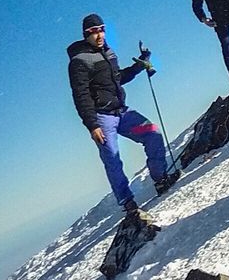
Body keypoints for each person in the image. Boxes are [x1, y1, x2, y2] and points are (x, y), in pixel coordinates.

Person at [67, 13, 176, 212]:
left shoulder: (108, 53)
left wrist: (139, 65)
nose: (99, 35)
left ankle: (160, 178)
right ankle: (128, 203)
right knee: (112, 158)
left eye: (101, 29)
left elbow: (117, 78)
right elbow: (80, 95)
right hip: (102, 118)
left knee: (153, 133)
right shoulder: (79, 61)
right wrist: (92, 125)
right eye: (93, 32)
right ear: (86, 35)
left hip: (122, 112)